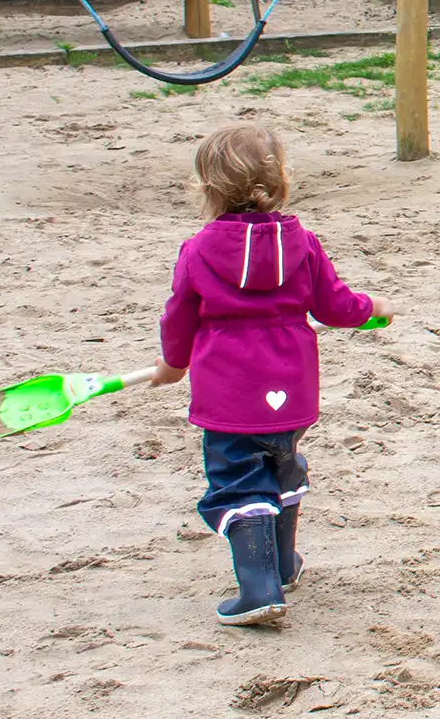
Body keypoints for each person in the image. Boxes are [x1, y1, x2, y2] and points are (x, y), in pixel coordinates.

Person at [152, 124, 390, 626]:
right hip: (291, 388)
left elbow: (179, 318)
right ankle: (281, 565)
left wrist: (173, 366)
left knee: (238, 481)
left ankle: (259, 588)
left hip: (230, 394)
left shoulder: (197, 252)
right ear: (281, 179)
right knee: (281, 464)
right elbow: (335, 306)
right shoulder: (301, 243)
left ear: (208, 189)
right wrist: (371, 307)